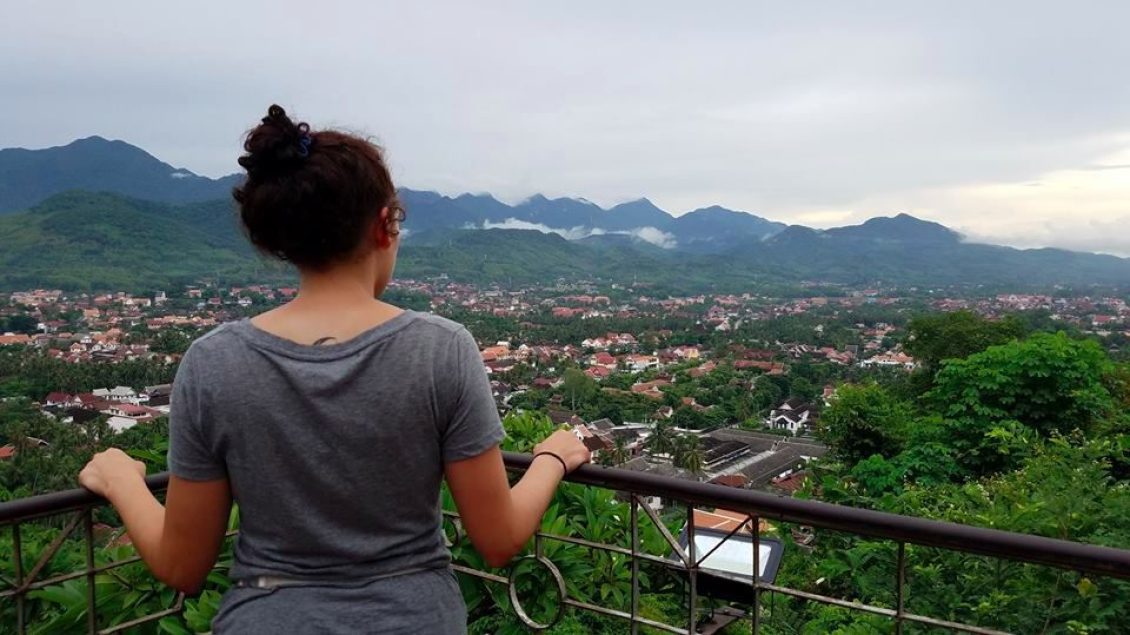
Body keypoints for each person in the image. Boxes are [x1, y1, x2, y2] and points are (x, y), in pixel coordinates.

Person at [78, 105, 591, 633]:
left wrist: (122, 482)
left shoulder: (215, 362)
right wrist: (551, 457)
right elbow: (499, 539)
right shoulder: (439, 349)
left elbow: (182, 566)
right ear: (384, 226)